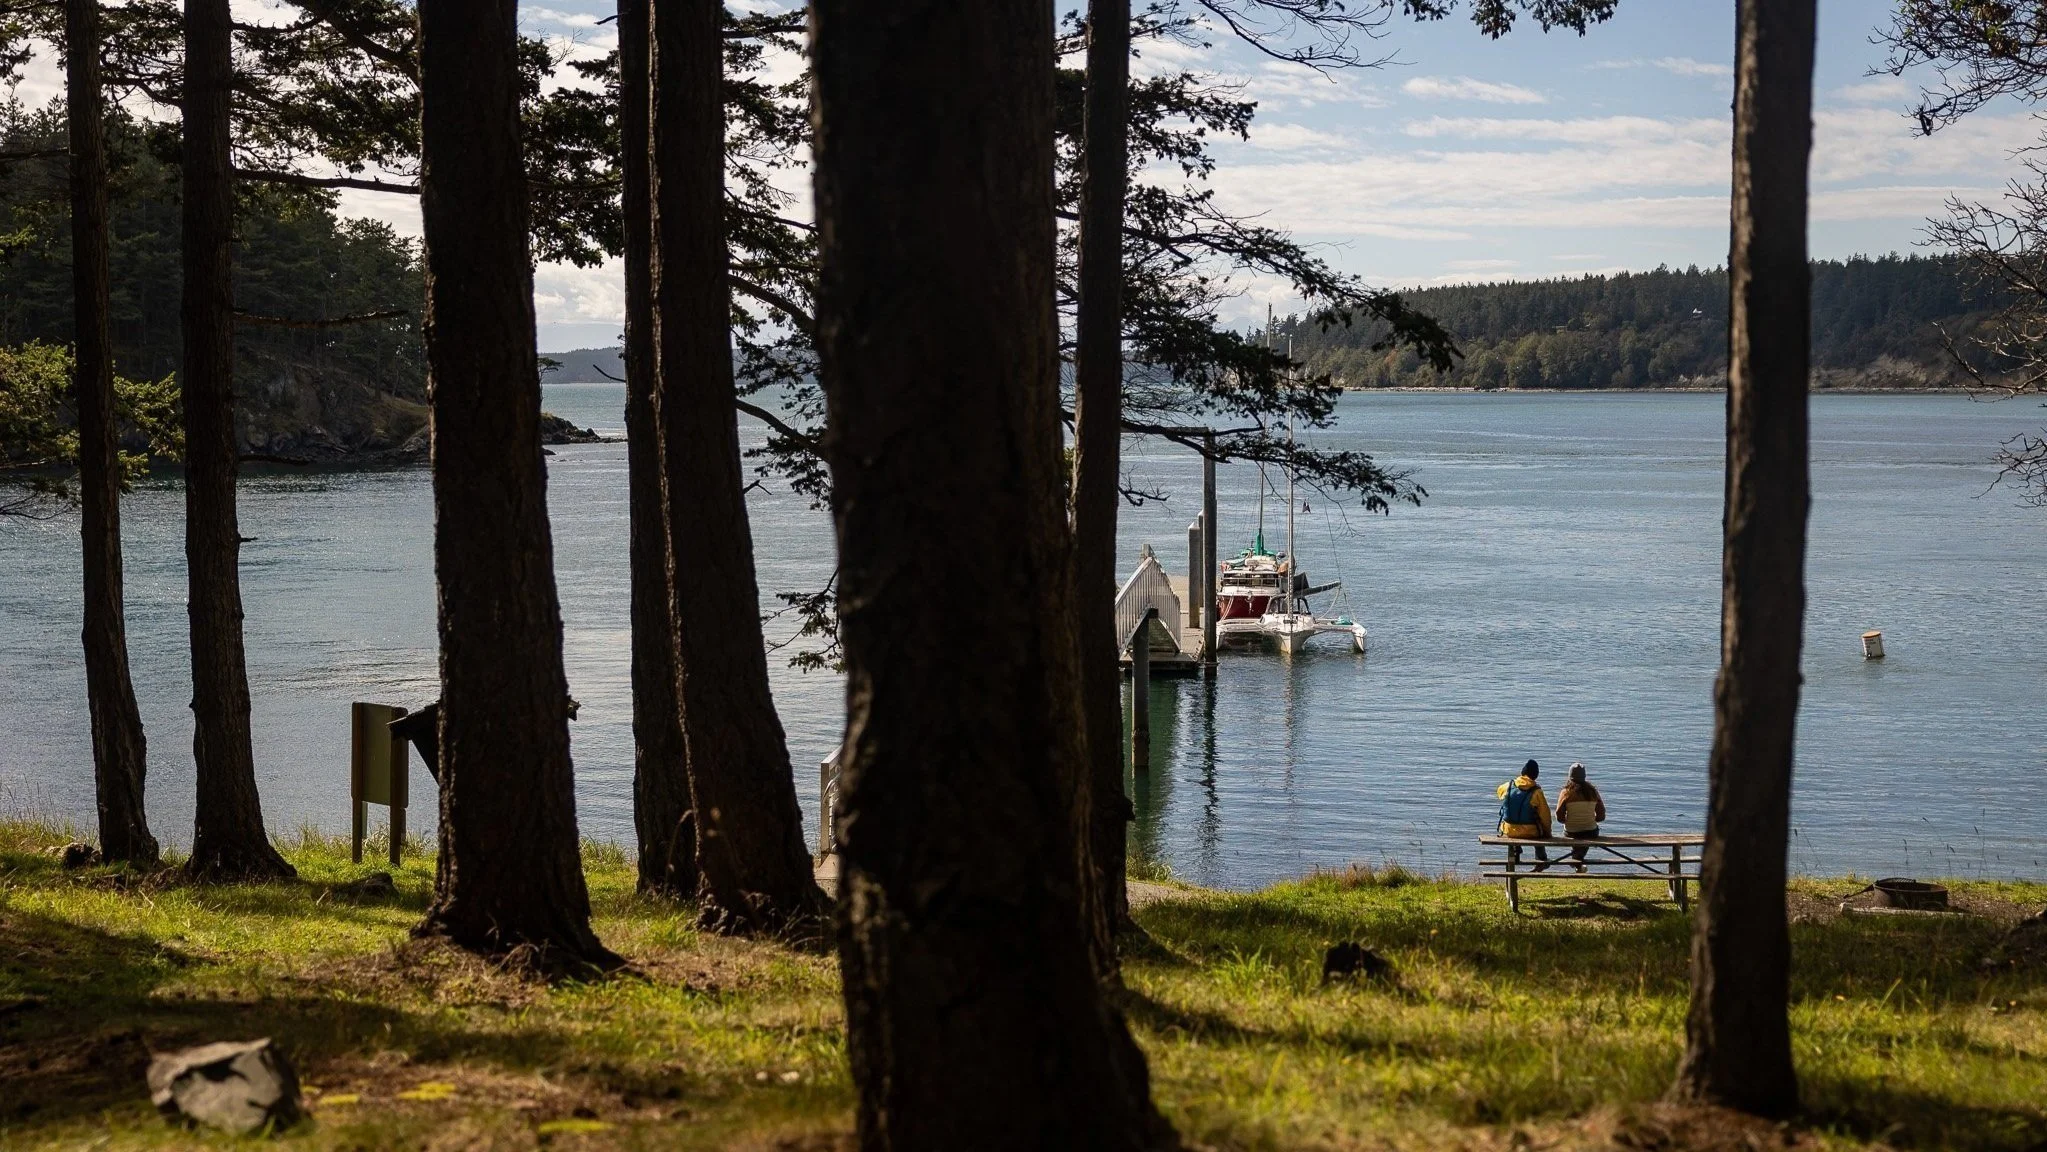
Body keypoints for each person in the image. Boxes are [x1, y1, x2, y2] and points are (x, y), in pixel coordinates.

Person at [1496, 759, 1552, 871]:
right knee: (1540, 829)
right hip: (1530, 832)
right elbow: (1545, 815)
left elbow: (1499, 792)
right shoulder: (1537, 792)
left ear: (1522, 773)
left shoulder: (1508, 786)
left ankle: (1516, 851)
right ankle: (1541, 859)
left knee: (1514, 821)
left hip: (1509, 830)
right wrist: (1547, 831)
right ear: (1535, 776)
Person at [1556, 762, 1607, 873]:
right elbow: (1601, 815)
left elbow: (1559, 815)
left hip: (1571, 831)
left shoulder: (1566, 792)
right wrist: (1593, 819)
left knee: (1577, 835)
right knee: (1587, 833)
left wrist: (1567, 820)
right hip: (1591, 831)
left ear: (1570, 776)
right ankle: (1577, 861)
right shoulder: (1593, 791)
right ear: (1584, 776)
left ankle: (1576, 861)